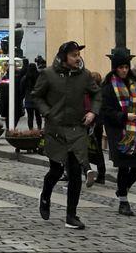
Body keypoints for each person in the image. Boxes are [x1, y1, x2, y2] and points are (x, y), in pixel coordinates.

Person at [32, 41, 100, 230]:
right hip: (55, 129)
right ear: (63, 57)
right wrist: (48, 112)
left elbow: (97, 94)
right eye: (73, 55)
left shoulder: (85, 76)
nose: (77, 58)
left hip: (76, 129)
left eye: (78, 54)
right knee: (55, 170)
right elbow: (36, 96)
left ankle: (72, 216)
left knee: (75, 173)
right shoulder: (48, 75)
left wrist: (92, 112)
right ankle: (45, 196)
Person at [101, 52, 136, 216]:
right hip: (118, 132)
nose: (124, 70)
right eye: (121, 67)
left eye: (126, 67)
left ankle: (122, 189)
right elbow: (106, 111)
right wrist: (123, 116)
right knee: (123, 167)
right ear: (115, 69)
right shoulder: (108, 87)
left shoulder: (135, 86)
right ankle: (123, 202)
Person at [87, 71, 106, 185]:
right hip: (98, 125)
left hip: (92, 124)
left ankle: (88, 170)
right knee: (98, 149)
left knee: (89, 149)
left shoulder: (93, 93)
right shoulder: (101, 92)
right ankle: (101, 174)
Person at [21, 63, 43, 130]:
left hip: (28, 99)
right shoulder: (39, 77)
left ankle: (31, 130)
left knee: (30, 117)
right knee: (38, 116)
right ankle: (39, 128)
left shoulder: (25, 78)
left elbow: (21, 88)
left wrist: (23, 96)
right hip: (38, 99)